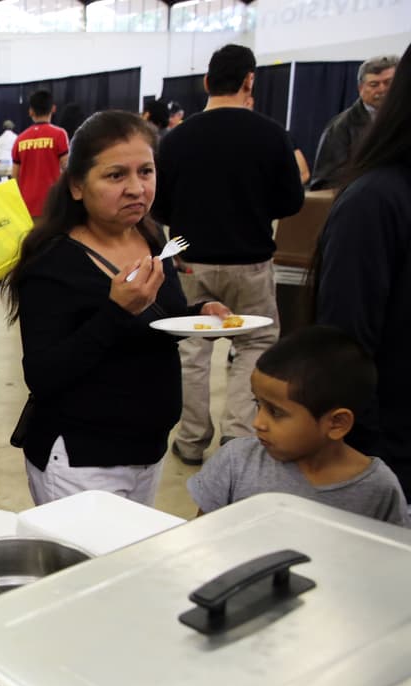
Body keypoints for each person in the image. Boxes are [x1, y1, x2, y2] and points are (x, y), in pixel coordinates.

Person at [1, 111, 230, 507]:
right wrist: (115, 312)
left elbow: (158, 321)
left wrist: (198, 312)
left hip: (148, 450)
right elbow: (43, 374)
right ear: (76, 185)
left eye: (146, 171)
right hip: (82, 459)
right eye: (115, 176)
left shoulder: (151, 234)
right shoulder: (53, 261)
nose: (136, 188)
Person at [154, 43, 304, 466]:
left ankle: (190, 439)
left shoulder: (176, 138)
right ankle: (237, 437)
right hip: (251, 261)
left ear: (206, 82)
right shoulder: (272, 134)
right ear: (249, 81)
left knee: (192, 351)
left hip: (189, 261)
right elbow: (292, 200)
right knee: (256, 343)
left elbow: (159, 205)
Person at [315, 44, 411, 500]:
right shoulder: (376, 199)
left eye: (385, 84)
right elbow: (344, 347)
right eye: (373, 83)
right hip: (392, 461)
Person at [187, 327, 408, 525]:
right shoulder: (236, 461)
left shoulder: (378, 490)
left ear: (336, 423)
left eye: (276, 412)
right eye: (258, 404)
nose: (257, 423)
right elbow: (200, 539)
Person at [310, 54, 399, 190]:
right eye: (374, 84)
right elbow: (327, 179)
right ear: (360, 89)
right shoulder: (341, 127)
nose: (382, 89)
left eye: (388, 82)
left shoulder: (404, 118)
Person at [12, 90, 70, 218]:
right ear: (53, 109)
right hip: (53, 203)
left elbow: (14, 177)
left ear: (30, 111)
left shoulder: (20, 139)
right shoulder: (59, 134)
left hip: (26, 206)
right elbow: (67, 168)